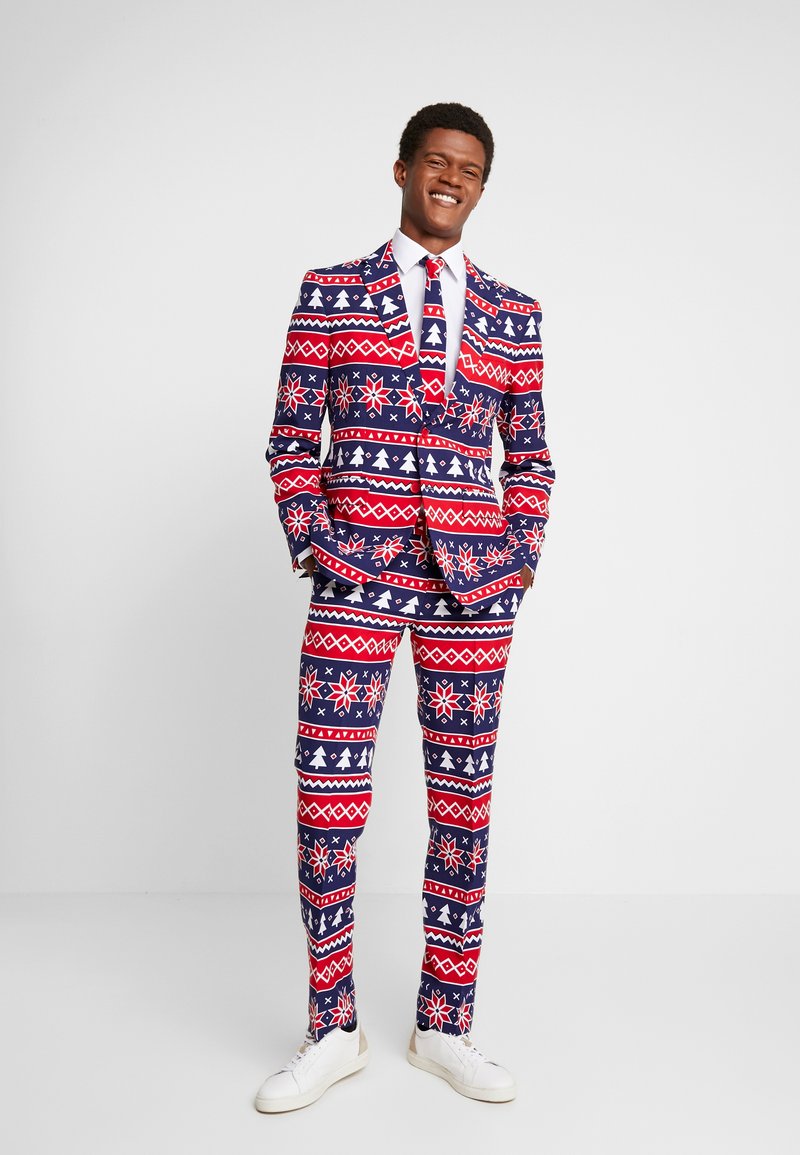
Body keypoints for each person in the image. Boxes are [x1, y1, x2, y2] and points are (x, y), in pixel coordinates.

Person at [256, 101, 555, 1112]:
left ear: (481, 186)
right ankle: (330, 1027)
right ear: (400, 169)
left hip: (473, 591)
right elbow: (292, 438)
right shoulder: (331, 292)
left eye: (469, 169)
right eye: (436, 161)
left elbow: (532, 456)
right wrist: (317, 543)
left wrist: (516, 557)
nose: (450, 179)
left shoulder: (514, 313)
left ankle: (445, 1023)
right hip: (355, 575)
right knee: (327, 801)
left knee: (463, 804)